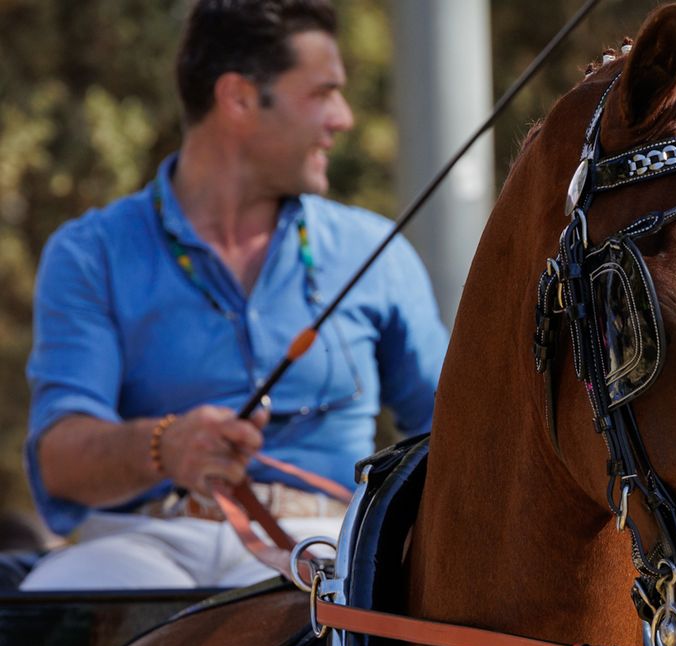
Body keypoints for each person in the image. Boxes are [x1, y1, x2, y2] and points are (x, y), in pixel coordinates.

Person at [21, 0, 447, 591]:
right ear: (240, 98)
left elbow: (454, 425)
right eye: (322, 93)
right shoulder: (89, 252)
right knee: (48, 601)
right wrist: (163, 447)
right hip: (144, 548)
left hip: (327, 545)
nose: (344, 118)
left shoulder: (376, 251)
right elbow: (59, 462)